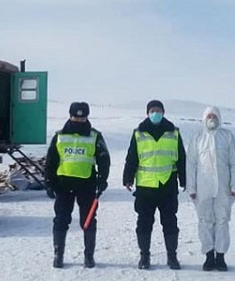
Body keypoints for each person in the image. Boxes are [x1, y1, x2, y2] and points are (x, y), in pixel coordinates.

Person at [45, 101, 110, 269]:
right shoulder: (59, 136)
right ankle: (58, 254)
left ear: (87, 117)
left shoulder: (95, 136)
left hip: (87, 184)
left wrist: (103, 180)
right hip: (63, 185)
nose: (78, 121)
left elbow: (104, 159)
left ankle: (89, 256)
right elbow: (51, 161)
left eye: (82, 118)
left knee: (88, 221)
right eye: (75, 117)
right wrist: (49, 183)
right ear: (70, 116)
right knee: (61, 220)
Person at [123, 99, 187, 270]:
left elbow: (181, 157)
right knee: (144, 223)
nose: (155, 113)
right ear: (147, 113)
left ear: (163, 112)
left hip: (168, 186)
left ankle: (172, 257)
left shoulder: (173, 132)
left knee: (170, 223)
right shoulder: (139, 133)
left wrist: (184, 178)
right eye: (152, 110)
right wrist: (127, 177)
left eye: (158, 110)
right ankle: (144, 256)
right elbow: (131, 157)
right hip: (145, 188)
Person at [186, 106, 235, 272]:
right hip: (202, 188)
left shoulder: (227, 137)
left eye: (214, 116)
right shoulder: (197, 137)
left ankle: (221, 256)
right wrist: (191, 187)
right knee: (205, 221)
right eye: (209, 116)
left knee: (222, 221)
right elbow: (191, 164)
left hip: (223, 188)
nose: (212, 119)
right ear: (204, 118)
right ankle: (209, 255)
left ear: (219, 118)